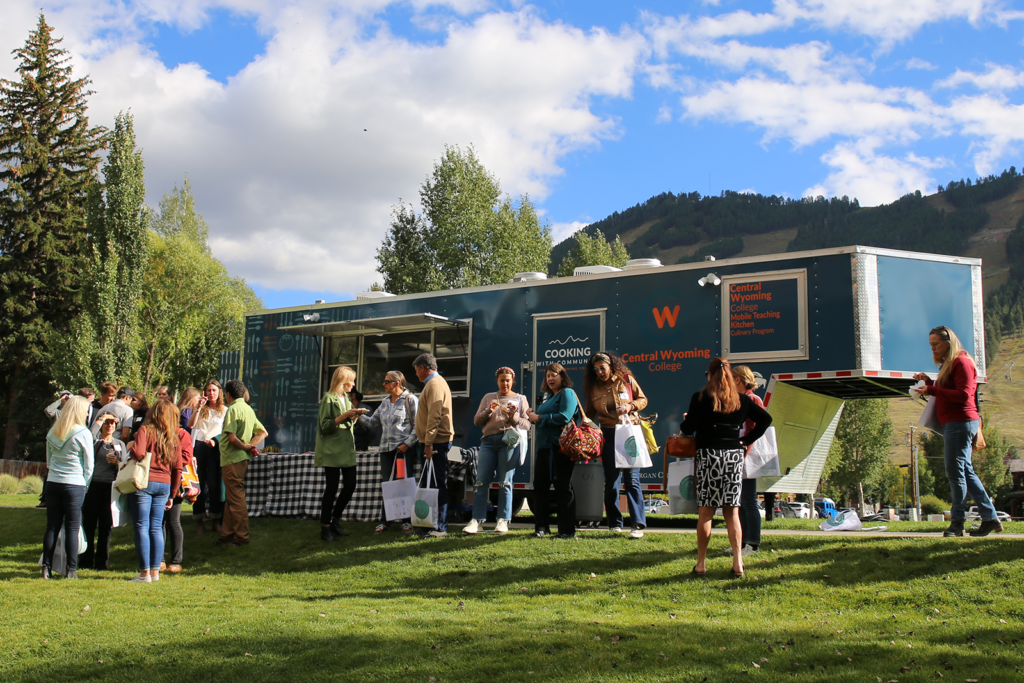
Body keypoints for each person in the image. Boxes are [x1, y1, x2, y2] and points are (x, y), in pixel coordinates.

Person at [681, 357, 771, 577]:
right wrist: (746, 440)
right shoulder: (740, 399)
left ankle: (701, 564)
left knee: (706, 513)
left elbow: (688, 428)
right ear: (730, 376)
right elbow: (766, 420)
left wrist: (688, 420)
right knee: (732, 512)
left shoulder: (700, 398)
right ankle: (738, 563)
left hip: (708, 455)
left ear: (709, 375)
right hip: (733, 456)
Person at [913, 325, 1002, 537]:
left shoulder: (961, 362)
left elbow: (963, 395)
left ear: (948, 342)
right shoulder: (952, 364)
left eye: (936, 344)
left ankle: (957, 524)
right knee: (966, 473)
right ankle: (990, 518)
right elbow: (951, 387)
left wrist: (931, 389)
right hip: (957, 423)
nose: (933, 348)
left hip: (960, 423)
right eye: (930, 345)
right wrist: (929, 382)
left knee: (955, 473)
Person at [583, 352, 649, 539]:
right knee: (611, 481)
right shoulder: (593, 388)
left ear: (610, 365)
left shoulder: (626, 380)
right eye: (596, 370)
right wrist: (584, 429)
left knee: (632, 479)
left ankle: (637, 524)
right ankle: (615, 524)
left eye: (602, 368)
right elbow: (589, 415)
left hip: (628, 432)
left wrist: (630, 406)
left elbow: (643, 399)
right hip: (608, 434)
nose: (600, 372)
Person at [127, 399, 184, 583]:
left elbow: (138, 453)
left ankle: (144, 573)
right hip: (164, 485)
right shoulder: (174, 437)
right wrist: (172, 494)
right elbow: (178, 468)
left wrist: (132, 444)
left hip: (145, 482)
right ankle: (154, 572)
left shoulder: (145, 430)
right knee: (156, 527)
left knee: (142, 526)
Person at [41, 396, 94, 579]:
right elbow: (89, 465)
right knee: (73, 527)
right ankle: (71, 570)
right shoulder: (83, 433)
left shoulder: (54, 431)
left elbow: (48, 461)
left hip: (53, 482)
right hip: (75, 484)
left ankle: (46, 568)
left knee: (52, 527)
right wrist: (85, 485)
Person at [360, 371, 419, 534]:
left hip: (402, 451)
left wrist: (407, 444)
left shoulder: (410, 399)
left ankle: (406, 521)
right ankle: (385, 520)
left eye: (387, 381)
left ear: (397, 383)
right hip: (386, 450)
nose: (383, 384)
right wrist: (357, 415)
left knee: (402, 483)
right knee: (388, 485)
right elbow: (372, 423)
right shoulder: (385, 402)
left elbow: (418, 427)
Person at [527, 363, 581, 539]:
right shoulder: (548, 397)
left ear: (562, 376)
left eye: (554, 375)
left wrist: (540, 417)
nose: (550, 378)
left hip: (560, 449)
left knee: (562, 488)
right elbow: (542, 417)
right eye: (548, 376)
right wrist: (532, 414)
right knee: (540, 488)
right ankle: (541, 528)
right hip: (544, 448)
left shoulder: (567, 393)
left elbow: (565, 416)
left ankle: (566, 530)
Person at [215, 379, 268, 548]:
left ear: (228, 395)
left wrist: (246, 446)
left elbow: (231, 438)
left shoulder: (233, 409)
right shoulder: (248, 408)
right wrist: (251, 445)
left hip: (231, 459)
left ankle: (241, 537)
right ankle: (228, 534)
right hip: (240, 460)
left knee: (236, 500)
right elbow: (263, 432)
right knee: (232, 499)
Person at [315, 366, 362, 542]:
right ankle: (325, 527)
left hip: (347, 450)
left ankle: (335, 520)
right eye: (352, 380)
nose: (354, 384)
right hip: (332, 451)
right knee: (332, 488)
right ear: (343, 381)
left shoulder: (347, 399)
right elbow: (325, 426)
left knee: (350, 485)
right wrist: (345, 415)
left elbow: (347, 423)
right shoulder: (329, 399)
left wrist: (355, 416)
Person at [412, 353, 454, 538]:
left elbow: (434, 415)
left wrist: (428, 443)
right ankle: (427, 524)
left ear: (422, 368)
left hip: (436, 442)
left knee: (436, 483)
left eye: (416, 371)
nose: (416, 375)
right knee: (430, 483)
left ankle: (440, 527)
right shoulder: (433, 383)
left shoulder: (435, 384)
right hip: (432, 441)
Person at [79, 412, 127, 570]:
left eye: (113, 423)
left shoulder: (119, 444)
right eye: (107, 422)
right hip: (93, 486)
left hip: (110, 488)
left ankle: (102, 563)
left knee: (106, 526)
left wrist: (117, 463)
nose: (110, 425)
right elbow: (88, 434)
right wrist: (99, 419)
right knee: (89, 524)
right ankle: (85, 561)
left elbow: (125, 466)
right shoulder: (93, 441)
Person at [733, 365, 766, 556]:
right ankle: (744, 542)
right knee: (741, 501)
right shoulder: (744, 398)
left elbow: (752, 429)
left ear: (738, 380)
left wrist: (743, 449)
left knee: (748, 501)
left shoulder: (752, 399)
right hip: (742, 454)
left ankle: (752, 544)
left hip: (747, 456)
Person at [190, 380, 227, 536]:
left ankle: (215, 521)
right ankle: (199, 522)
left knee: (214, 485)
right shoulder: (201, 409)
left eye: (214, 390)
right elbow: (191, 425)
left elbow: (226, 431)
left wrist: (214, 441)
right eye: (208, 390)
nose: (211, 393)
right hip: (199, 447)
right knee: (198, 484)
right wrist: (197, 408)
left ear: (219, 393)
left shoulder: (225, 410)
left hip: (215, 448)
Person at [161, 425, 195, 574]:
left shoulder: (182, 434)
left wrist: (165, 457)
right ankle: (159, 559)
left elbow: (187, 457)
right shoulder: (155, 432)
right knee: (158, 522)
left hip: (175, 481)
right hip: (158, 479)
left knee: (173, 521)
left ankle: (176, 560)